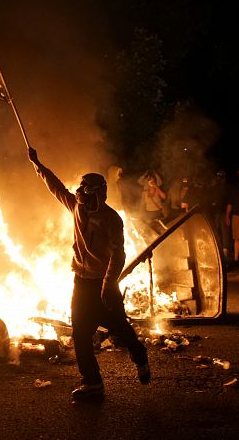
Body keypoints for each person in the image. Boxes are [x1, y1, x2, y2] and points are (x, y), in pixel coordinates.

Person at [28, 147, 150, 401]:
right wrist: (38, 164)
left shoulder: (111, 219)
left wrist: (107, 284)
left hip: (104, 284)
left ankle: (139, 355)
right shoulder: (76, 208)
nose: (79, 192)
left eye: (85, 189)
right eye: (80, 188)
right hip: (81, 282)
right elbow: (57, 187)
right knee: (80, 333)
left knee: (118, 328)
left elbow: (118, 255)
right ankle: (92, 383)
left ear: (98, 193)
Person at [208, 170, 231, 261]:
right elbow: (210, 199)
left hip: (223, 213)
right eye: (218, 175)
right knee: (216, 233)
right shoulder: (214, 187)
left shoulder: (226, 188)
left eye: (221, 176)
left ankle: (225, 254)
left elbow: (229, 202)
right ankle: (217, 252)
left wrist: (227, 216)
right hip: (215, 214)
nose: (219, 177)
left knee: (225, 233)